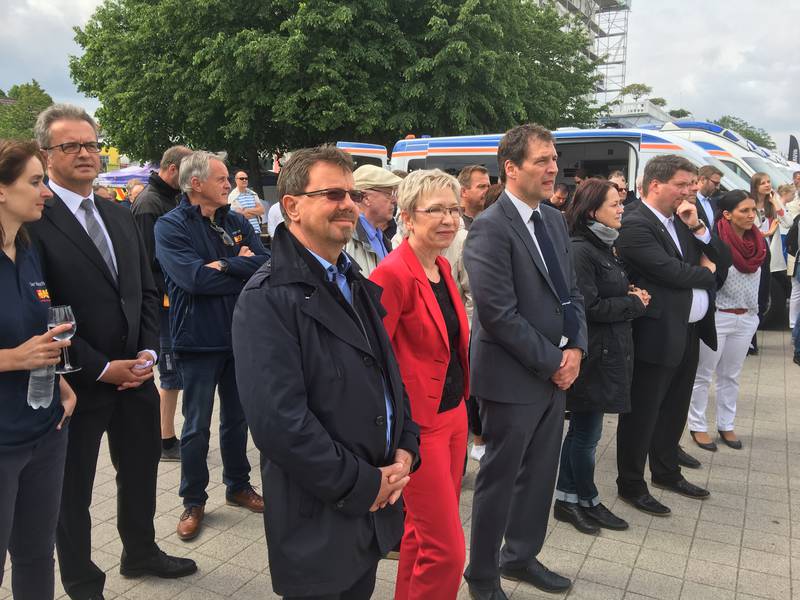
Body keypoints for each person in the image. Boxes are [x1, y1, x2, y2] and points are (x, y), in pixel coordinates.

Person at [232, 145, 420, 599]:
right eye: (333, 194)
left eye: (353, 195)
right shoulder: (267, 298)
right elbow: (280, 424)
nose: (348, 205)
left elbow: (388, 375)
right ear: (292, 206)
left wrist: (406, 447)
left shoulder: (350, 279)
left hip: (369, 508)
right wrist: (365, 484)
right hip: (318, 518)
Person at [29, 103, 195, 600]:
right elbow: (40, 311)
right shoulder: (34, 218)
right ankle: (82, 582)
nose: (85, 153)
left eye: (91, 144)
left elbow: (146, 289)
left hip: (136, 376)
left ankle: (140, 551)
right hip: (77, 382)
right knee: (73, 491)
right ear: (46, 154)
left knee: (140, 470)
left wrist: (147, 354)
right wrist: (101, 367)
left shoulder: (118, 214)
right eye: (70, 146)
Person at [463, 124, 587, 599]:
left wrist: (576, 350)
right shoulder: (490, 227)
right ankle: (482, 574)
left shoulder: (552, 220)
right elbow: (498, 314)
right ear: (511, 168)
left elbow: (571, 293)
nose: (553, 168)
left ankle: (519, 557)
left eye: (554, 159)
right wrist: (555, 360)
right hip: (511, 379)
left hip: (553, 376)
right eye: (542, 160)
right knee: (500, 481)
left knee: (539, 476)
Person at [155, 151, 268, 541]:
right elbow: (192, 280)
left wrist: (224, 264)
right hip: (197, 340)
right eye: (221, 178)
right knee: (196, 426)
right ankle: (193, 500)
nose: (228, 184)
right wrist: (237, 262)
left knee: (237, 420)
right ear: (195, 183)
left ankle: (238, 486)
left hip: (238, 336)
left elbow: (265, 264)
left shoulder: (235, 220)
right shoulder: (170, 226)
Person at [370, 169, 470, 600]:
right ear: (408, 218)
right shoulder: (392, 274)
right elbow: (374, 361)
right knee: (447, 551)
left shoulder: (441, 265)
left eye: (453, 209)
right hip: (421, 427)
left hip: (454, 414)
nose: (449, 219)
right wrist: (393, 436)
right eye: (436, 210)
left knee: (419, 534)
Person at [615, 155, 727, 517]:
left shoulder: (681, 219)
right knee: (643, 412)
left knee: (675, 407)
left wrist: (699, 229)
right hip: (655, 335)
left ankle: (666, 471)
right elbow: (671, 272)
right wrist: (706, 273)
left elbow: (721, 260)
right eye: (682, 184)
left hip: (688, 331)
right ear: (655, 185)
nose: (689, 190)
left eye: (691, 183)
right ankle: (631, 483)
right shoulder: (635, 222)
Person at [0, 139, 77, 600]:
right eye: (34, 181)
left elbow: (35, 330)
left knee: (35, 554)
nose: (46, 192)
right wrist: (12, 359)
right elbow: (19, 349)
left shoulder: (26, 249)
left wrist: (62, 383)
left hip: (46, 432)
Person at [554, 178, 648, 535]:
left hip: (607, 352)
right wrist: (633, 303)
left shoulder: (603, 245)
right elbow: (586, 307)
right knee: (586, 434)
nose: (622, 208)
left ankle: (569, 499)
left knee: (584, 432)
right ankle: (585, 499)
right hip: (593, 355)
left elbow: (602, 291)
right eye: (614, 204)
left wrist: (627, 292)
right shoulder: (582, 249)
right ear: (593, 211)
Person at [688, 190, 764, 452]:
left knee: (731, 376)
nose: (751, 215)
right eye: (745, 210)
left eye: (753, 210)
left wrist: (756, 315)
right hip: (718, 316)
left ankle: (726, 424)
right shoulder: (715, 243)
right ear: (728, 214)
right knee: (703, 374)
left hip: (747, 317)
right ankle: (697, 425)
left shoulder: (758, 243)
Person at [131, 144, 192, 462]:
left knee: (175, 373)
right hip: (162, 302)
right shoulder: (149, 204)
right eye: (187, 173)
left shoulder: (170, 198)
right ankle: (164, 440)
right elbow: (147, 261)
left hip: (173, 299)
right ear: (172, 169)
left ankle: (165, 435)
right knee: (169, 373)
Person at [343, 164, 402, 276]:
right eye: (388, 194)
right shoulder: (346, 239)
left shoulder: (379, 237)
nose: (394, 200)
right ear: (366, 198)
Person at [228, 170, 265, 235]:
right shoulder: (233, 196)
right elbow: (239, 216)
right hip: (244, 233)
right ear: (236, 180)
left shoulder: (253, 194)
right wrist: (255, 212)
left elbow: (261, 211)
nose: (244, 180)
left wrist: (247, 210)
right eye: (241, 178)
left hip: (256, 231)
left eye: (246, 178)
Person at [457, 165, 490, 230]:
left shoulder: (492, 220)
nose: (487, 190)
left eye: (488, 186)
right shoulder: (454, 222)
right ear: (463, 192)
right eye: (482, 186)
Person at [696, 166, 722, 230]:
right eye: (715, 183)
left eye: (718, 184)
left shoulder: (713, 202)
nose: (717, 188)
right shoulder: (689, 199)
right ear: (703, 179)